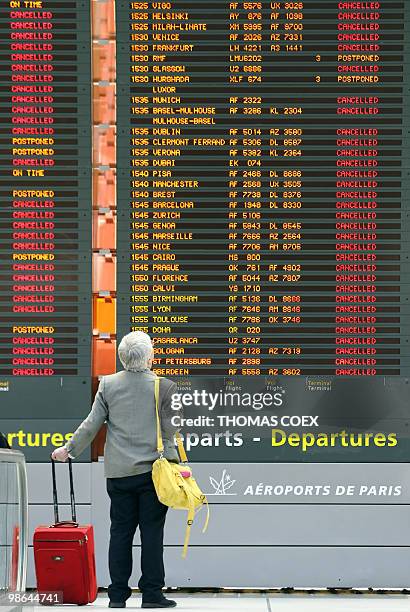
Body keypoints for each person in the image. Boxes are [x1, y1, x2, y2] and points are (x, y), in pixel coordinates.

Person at [52, 331, 181, 609]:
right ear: (149, 356)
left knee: (120, 533)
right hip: (154, 474)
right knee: (152, 533)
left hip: (119, 474)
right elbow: (172, 429)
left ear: (122, 357)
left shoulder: (107, 385)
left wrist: (68, 450)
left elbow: (92, 423)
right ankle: (151, 595)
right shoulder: (165, 387)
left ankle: (117, 596)